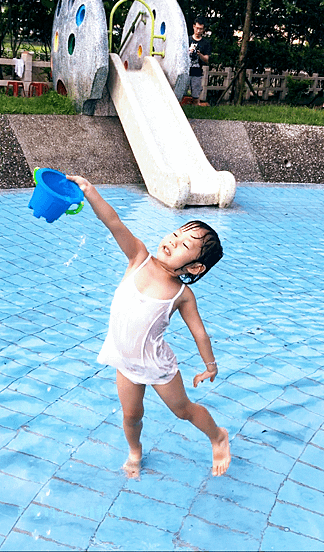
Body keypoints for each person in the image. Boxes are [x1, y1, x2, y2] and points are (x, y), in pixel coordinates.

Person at [67, 176, 231, 480]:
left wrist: (210, 366)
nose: (172, 240)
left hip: (157, 364)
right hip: (124, 360)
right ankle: (134, 450)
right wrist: (89, 191)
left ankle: (218, 436)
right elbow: (114, 222)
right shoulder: (138, 258)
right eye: (174, 233)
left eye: (184, 244)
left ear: (194, 268)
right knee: (131, 415)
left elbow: (200, 332)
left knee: (183, 410)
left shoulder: (182, 295)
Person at [188, 16, 211, 106]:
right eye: (197, 28)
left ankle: (197, 108)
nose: (198, 31)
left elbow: (206, 59)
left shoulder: (205, 43)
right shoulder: (187, 39)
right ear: (193, 26)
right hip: (185, 71)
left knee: (195, 96)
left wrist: (199, 54)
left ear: (203, 29)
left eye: (200, 29)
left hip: (197, 72)